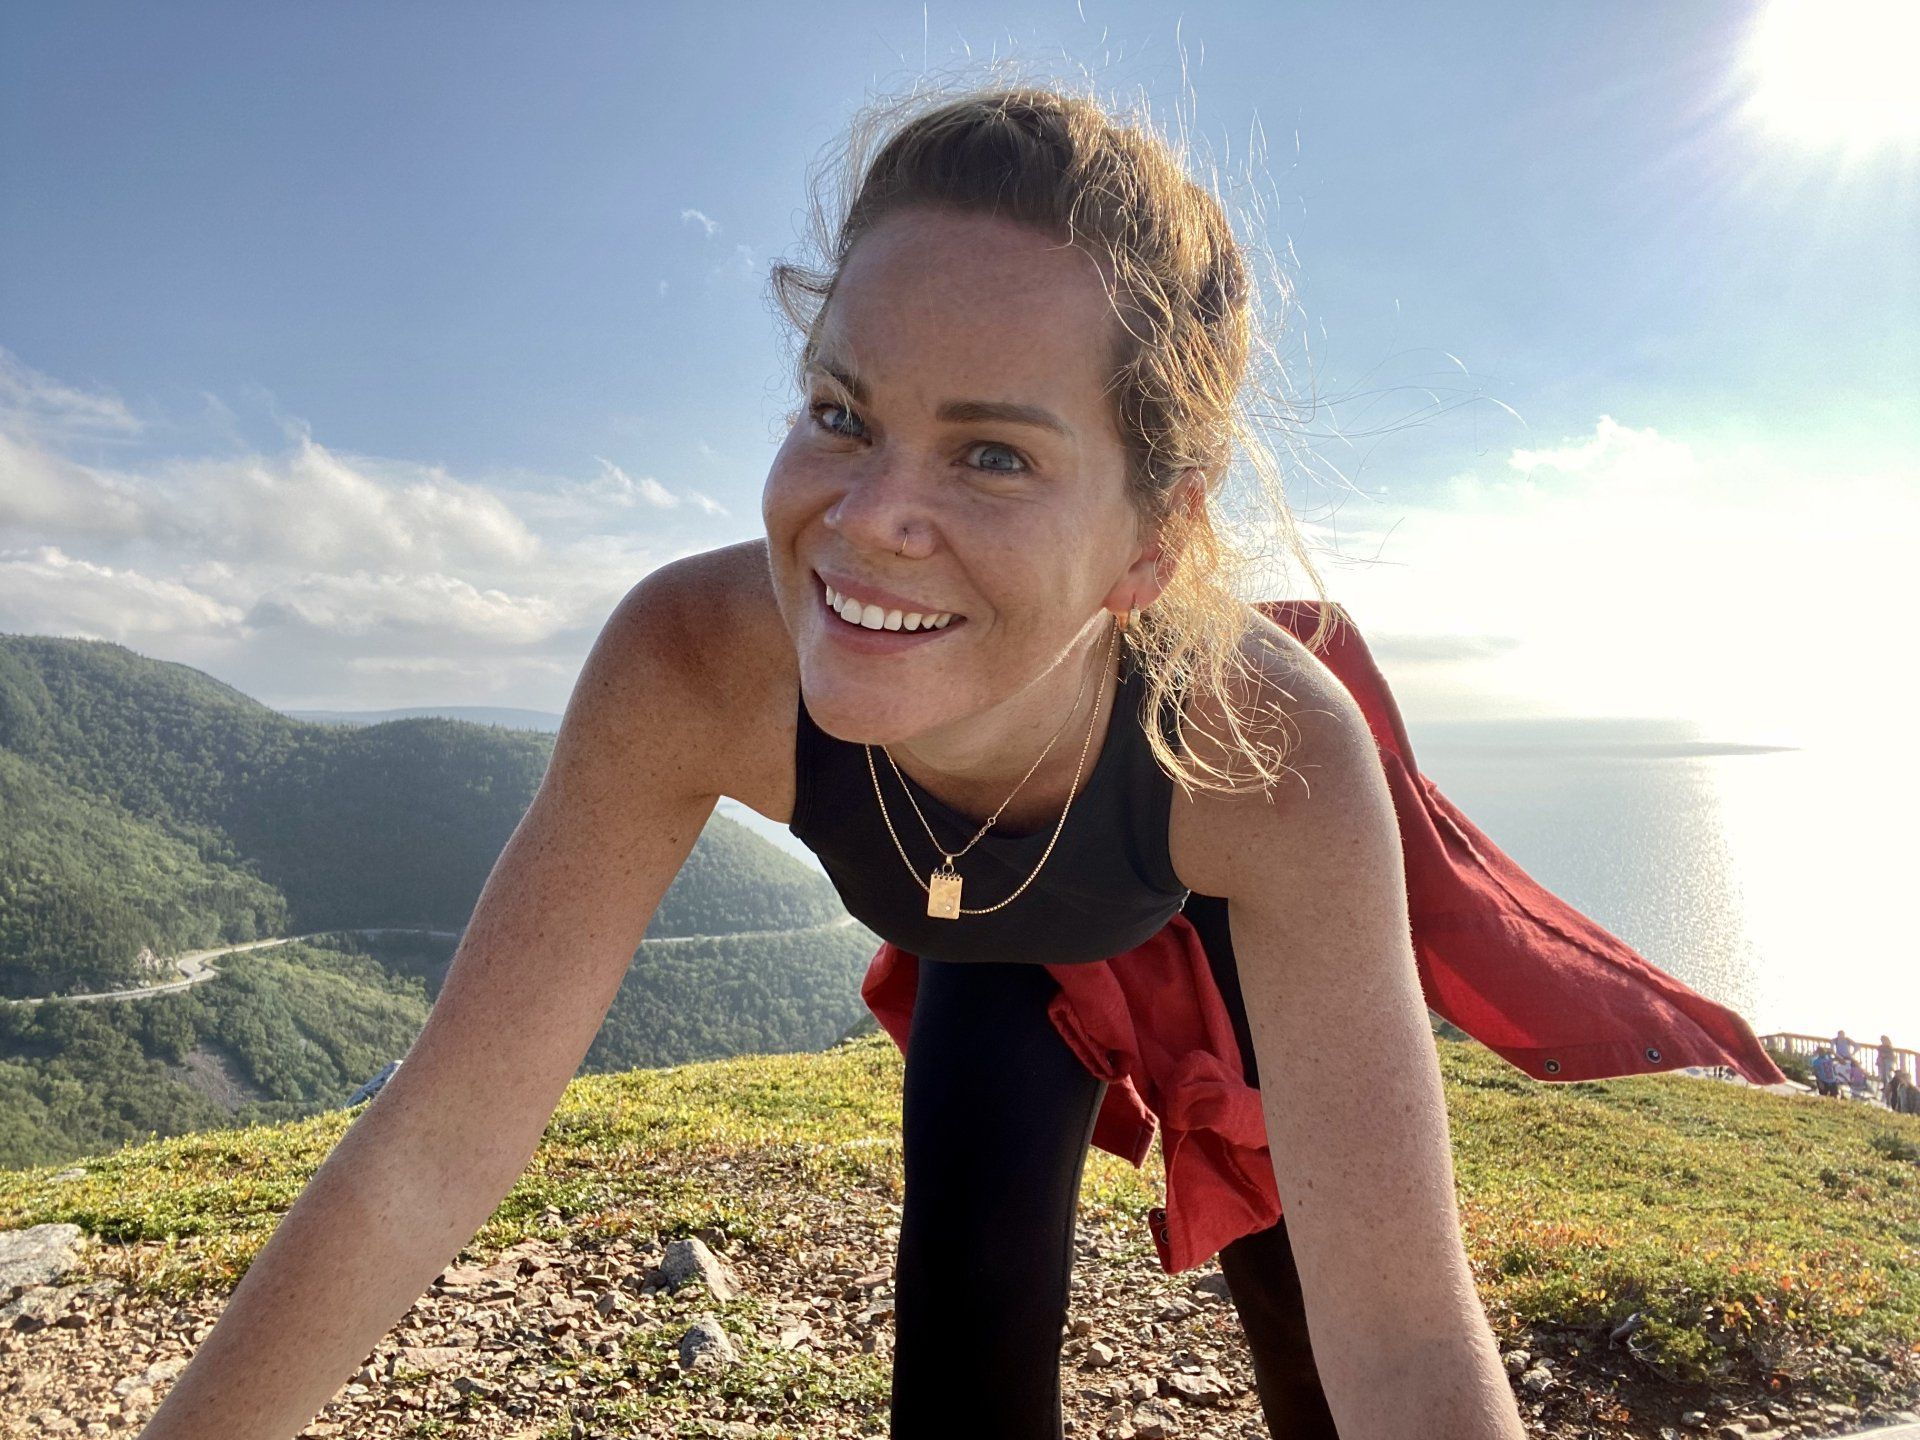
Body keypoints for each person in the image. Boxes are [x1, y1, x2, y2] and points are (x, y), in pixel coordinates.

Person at [138, 84, 1529, 1439]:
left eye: (992, 455)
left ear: (1156, 537)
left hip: (1217, 937)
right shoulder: (693, 662)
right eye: (843, 415)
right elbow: (429, 1152)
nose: (868, 522)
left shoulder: (1265, 750)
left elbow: (1408, 1338)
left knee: (1317, 1339)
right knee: (967, 1324)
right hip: (987, 952)